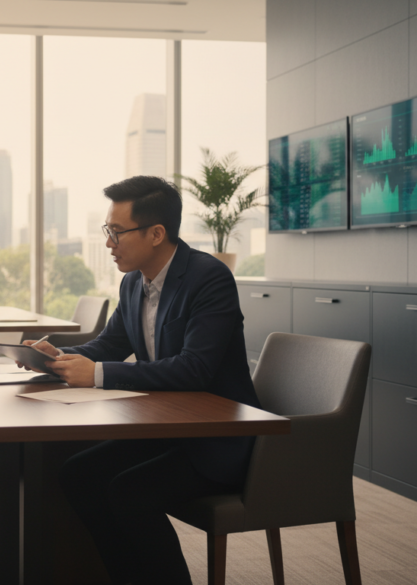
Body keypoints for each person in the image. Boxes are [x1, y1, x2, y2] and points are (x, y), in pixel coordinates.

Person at [27, 176, 261, 585]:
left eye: (116, 232)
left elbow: (194, 369)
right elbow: (109, 345)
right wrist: (61, 359)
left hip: (215, 440)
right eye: (108, 231)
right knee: (77, 475)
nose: (108, 243)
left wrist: (96, 374)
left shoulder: (209, 279)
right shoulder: (133, 282)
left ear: (156, 233)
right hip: (165, 431)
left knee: (129, 493)